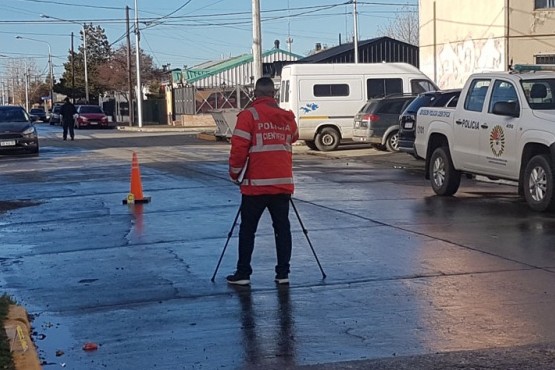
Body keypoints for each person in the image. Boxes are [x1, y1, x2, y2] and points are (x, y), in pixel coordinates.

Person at [227, 77, 299, 286]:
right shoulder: (287, 117)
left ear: (255, 94)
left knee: (248, 230)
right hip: (282, 184)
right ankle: (283, 273)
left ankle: (243, 273)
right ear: (274, 94)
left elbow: (239, 148)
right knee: (282, 229)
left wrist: (235, 173)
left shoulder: (249, 116)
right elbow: (294, 137)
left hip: (255, 185)